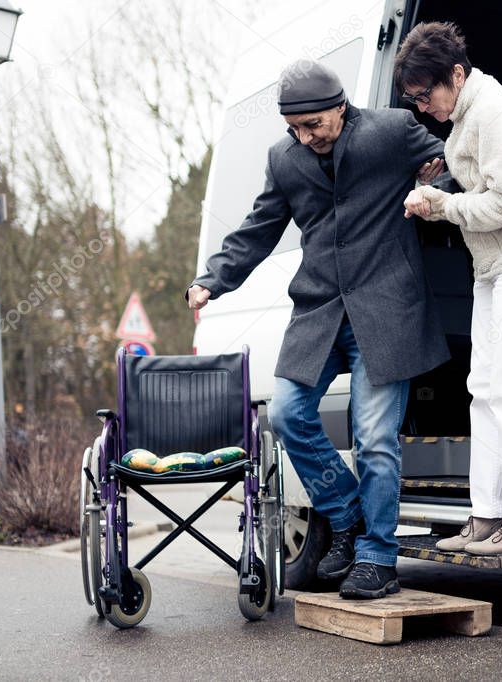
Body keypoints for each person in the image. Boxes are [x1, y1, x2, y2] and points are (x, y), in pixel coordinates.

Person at [186, 60, 449, 599]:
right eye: (295, 129)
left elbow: (451, 163)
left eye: (314, 126)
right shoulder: (284, 159)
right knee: (287, 414)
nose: (305, 138)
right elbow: (259, 227)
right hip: (319, 312)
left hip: (385, 311)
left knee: (375, 439)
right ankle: (347, 514)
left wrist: (433, 182)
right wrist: (212, 279)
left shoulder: (390, 131)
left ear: (340, 107)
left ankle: (378, 557)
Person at [396, 22, 502, 555]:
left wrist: (443, 205)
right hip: (495, 269)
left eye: (425, 94)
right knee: (484, 388)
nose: (423, 108)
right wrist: (438, 190)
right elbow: (481, 189)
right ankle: (487, 514)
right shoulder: (464, 119)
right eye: (413, 100)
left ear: (456, 73)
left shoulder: (494, 111)